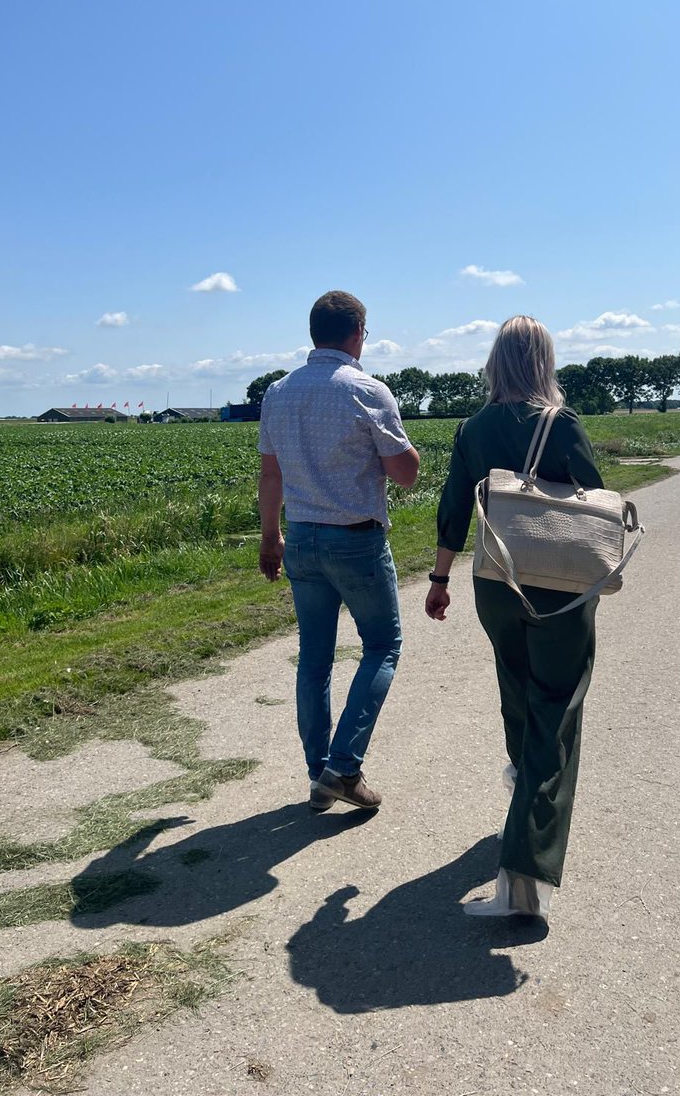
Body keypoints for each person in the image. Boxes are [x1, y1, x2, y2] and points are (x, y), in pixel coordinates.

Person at [425, 315, 604, 921]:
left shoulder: (473, 428)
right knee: (557, 709)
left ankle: (524, 786)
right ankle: (524, 876)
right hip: (556, 588)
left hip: (495, 582)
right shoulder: (563, 424)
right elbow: (596, 505)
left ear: (495, 364)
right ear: (545, 363)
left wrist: (440, 578)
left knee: (518, 693)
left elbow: (454, 507)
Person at [258, 290, 420, 812]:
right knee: (382, 646)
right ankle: (343, 768)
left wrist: (270, 537)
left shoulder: (278, 393)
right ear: (357, 334)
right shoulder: (367, 391)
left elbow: (270, 474)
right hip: (355, 539)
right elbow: (406, 474)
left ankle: (318, 771)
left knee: (315, 657)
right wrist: (406, 449)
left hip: (301, 536)